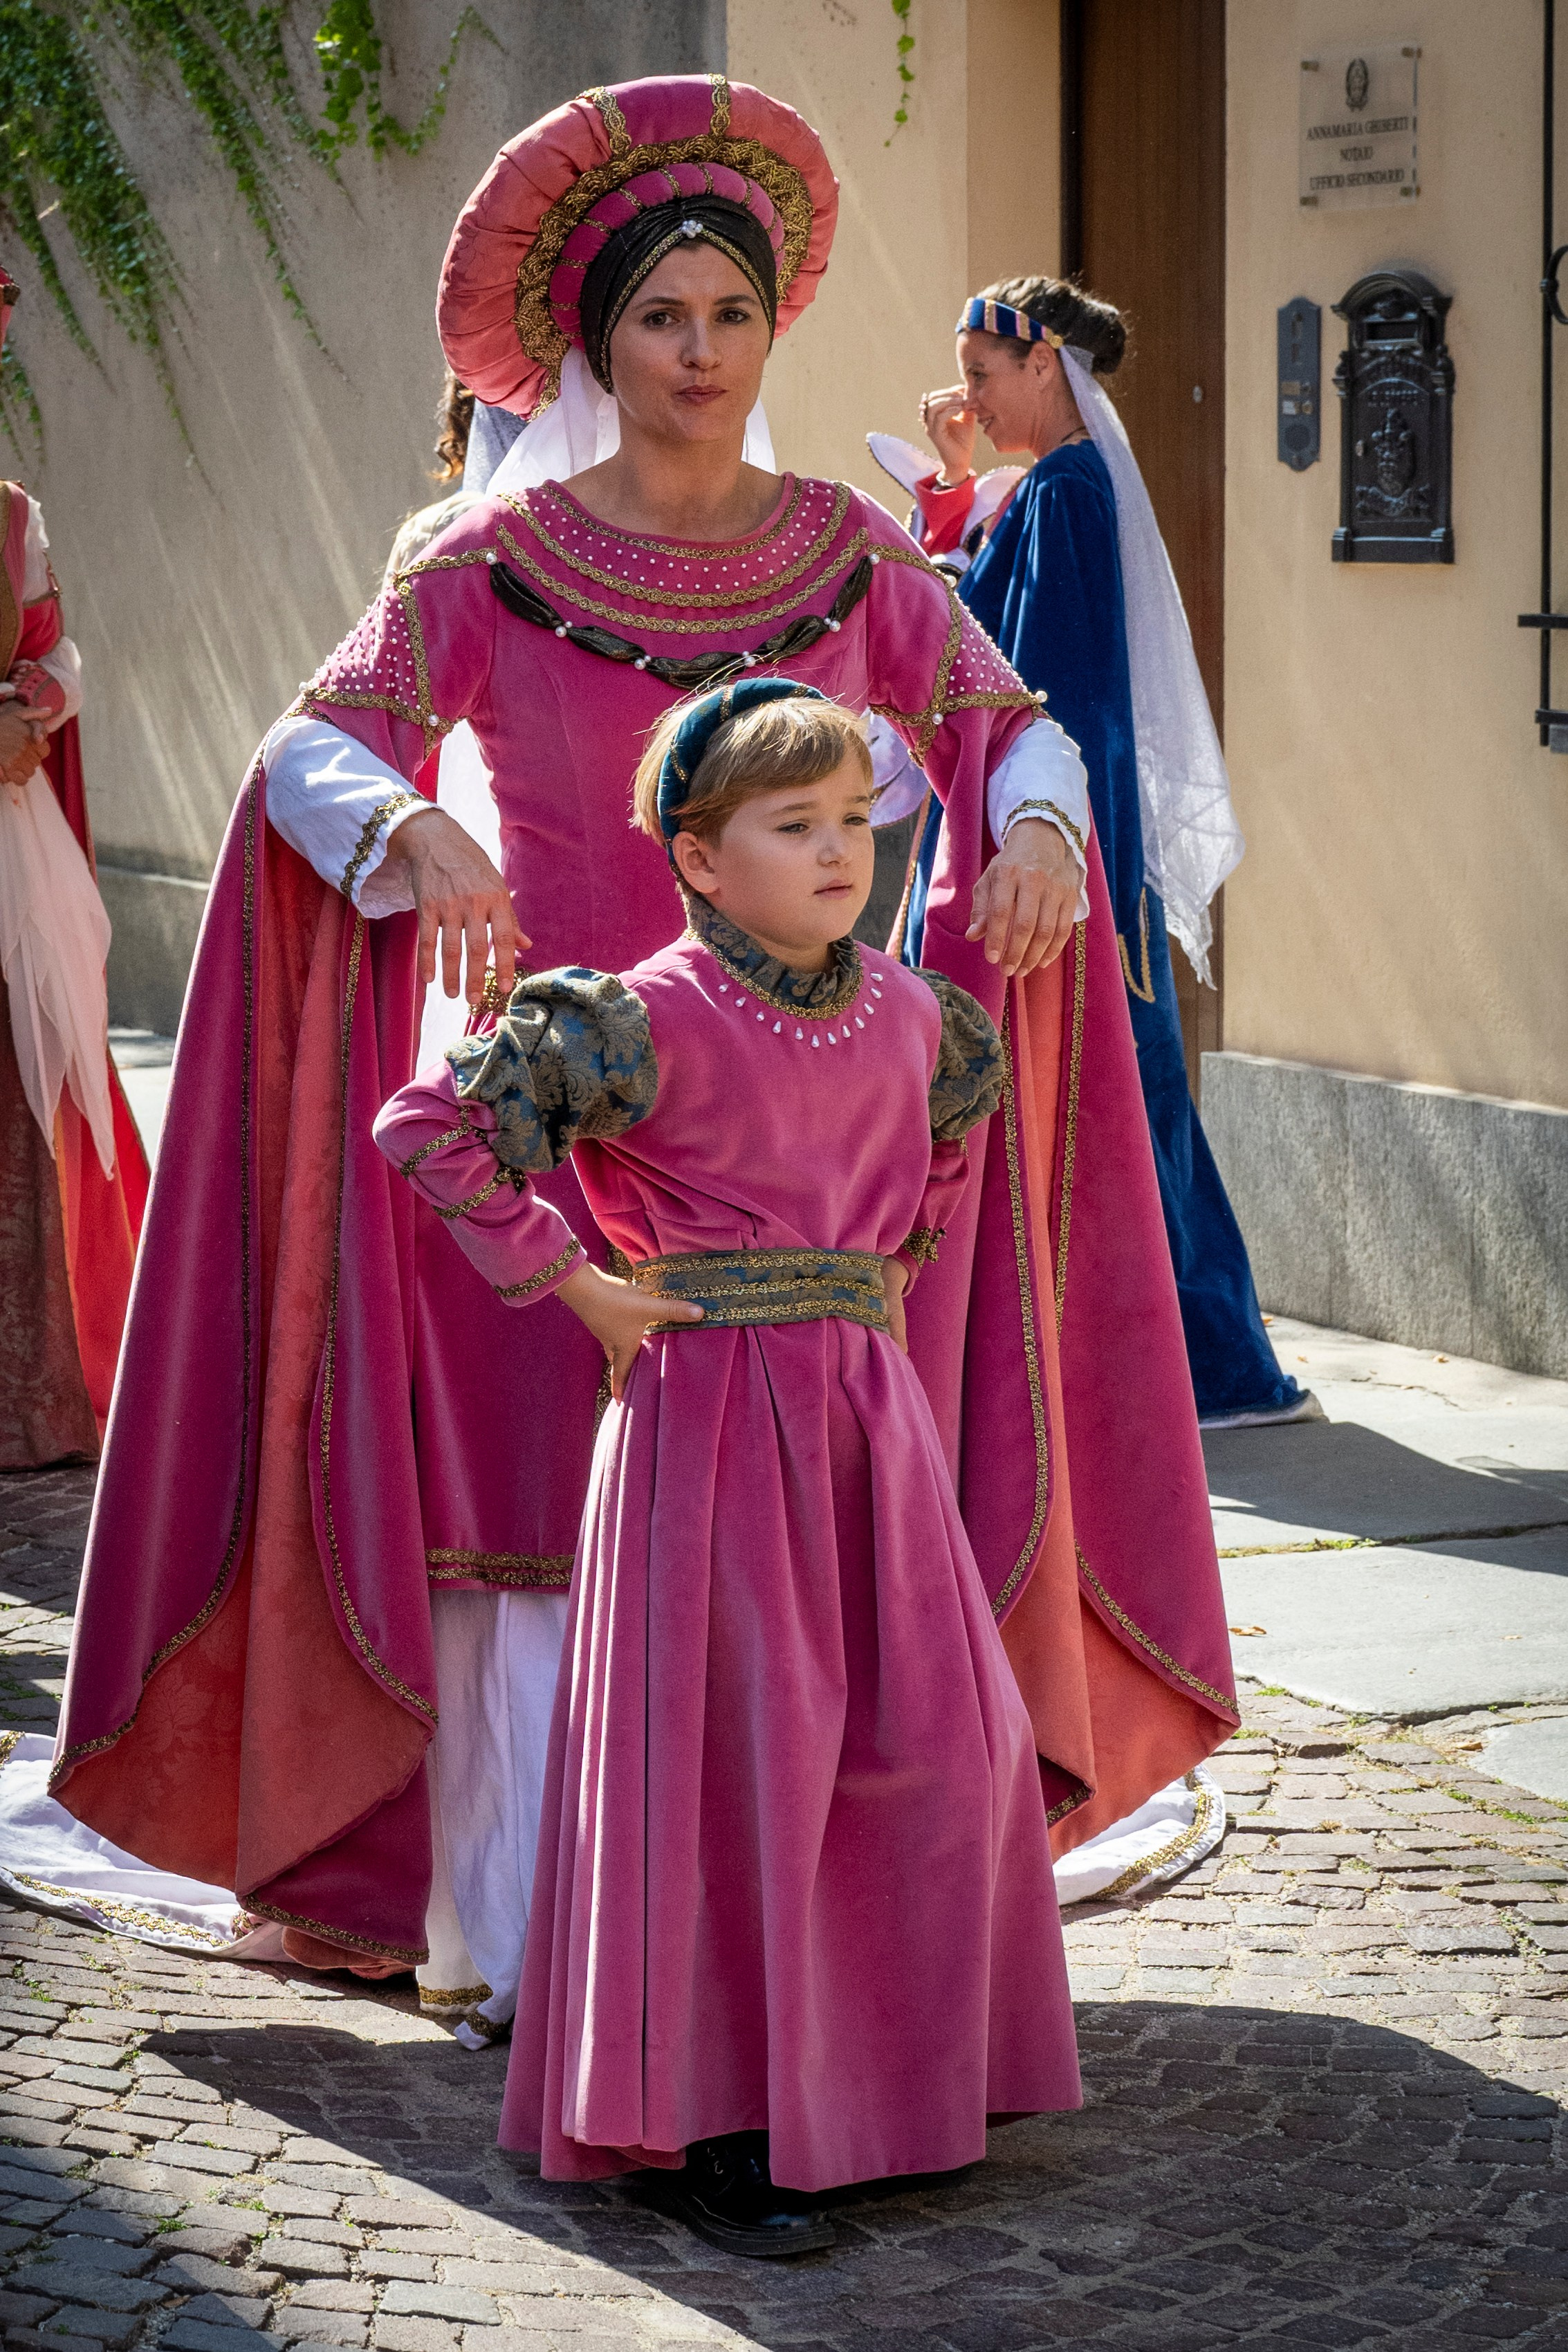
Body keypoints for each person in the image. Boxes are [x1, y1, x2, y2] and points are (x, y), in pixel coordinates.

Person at [50, 79, 1233, 2017]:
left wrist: (1031, 825)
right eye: (662, 317)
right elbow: (312, 745)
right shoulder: (490, 563)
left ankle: (796, 1922)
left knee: (799, 1511)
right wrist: (408, 824)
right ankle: (545, 1939)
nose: (698, 352)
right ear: (599, 341)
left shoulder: (851, 557)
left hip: (796, 1127)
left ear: (773, 335)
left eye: (730, 317)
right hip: (563, 1117)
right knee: (540, 1515)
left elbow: (1010, 719)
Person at [375, 680, 1080, 2248]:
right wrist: (583, 1282)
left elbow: (944, 1154)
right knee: (740, 1766)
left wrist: (881, 1267)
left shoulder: (918, 1013)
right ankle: (722, 2119)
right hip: (703, 1423)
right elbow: (428, 1125)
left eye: (855, 822)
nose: (841, 852)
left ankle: (892, 2085)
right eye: (793, 825)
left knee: (935, 1746)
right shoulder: (630, 1018)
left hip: (865, 1423)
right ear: (699, 858)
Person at [886, 275, 1316, 1428]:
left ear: (1047, 370)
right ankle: (1190, 1352)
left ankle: (1201, 1359)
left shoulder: (1068, 493)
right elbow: (983, 630)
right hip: (1055, 823)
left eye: (983, 374)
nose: (968, 393)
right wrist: (954, 489)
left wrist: (1048, 835)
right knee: (1125, 1090)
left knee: (1120, 1091)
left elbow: (1041, 683)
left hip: (1061, 834)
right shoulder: (1049, 488)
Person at [0, 266, 147, 1470]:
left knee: (23, 1085)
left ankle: (34, 1396)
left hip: (9, 838)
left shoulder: (10, 511)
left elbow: (57, 648)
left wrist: (37, 709)